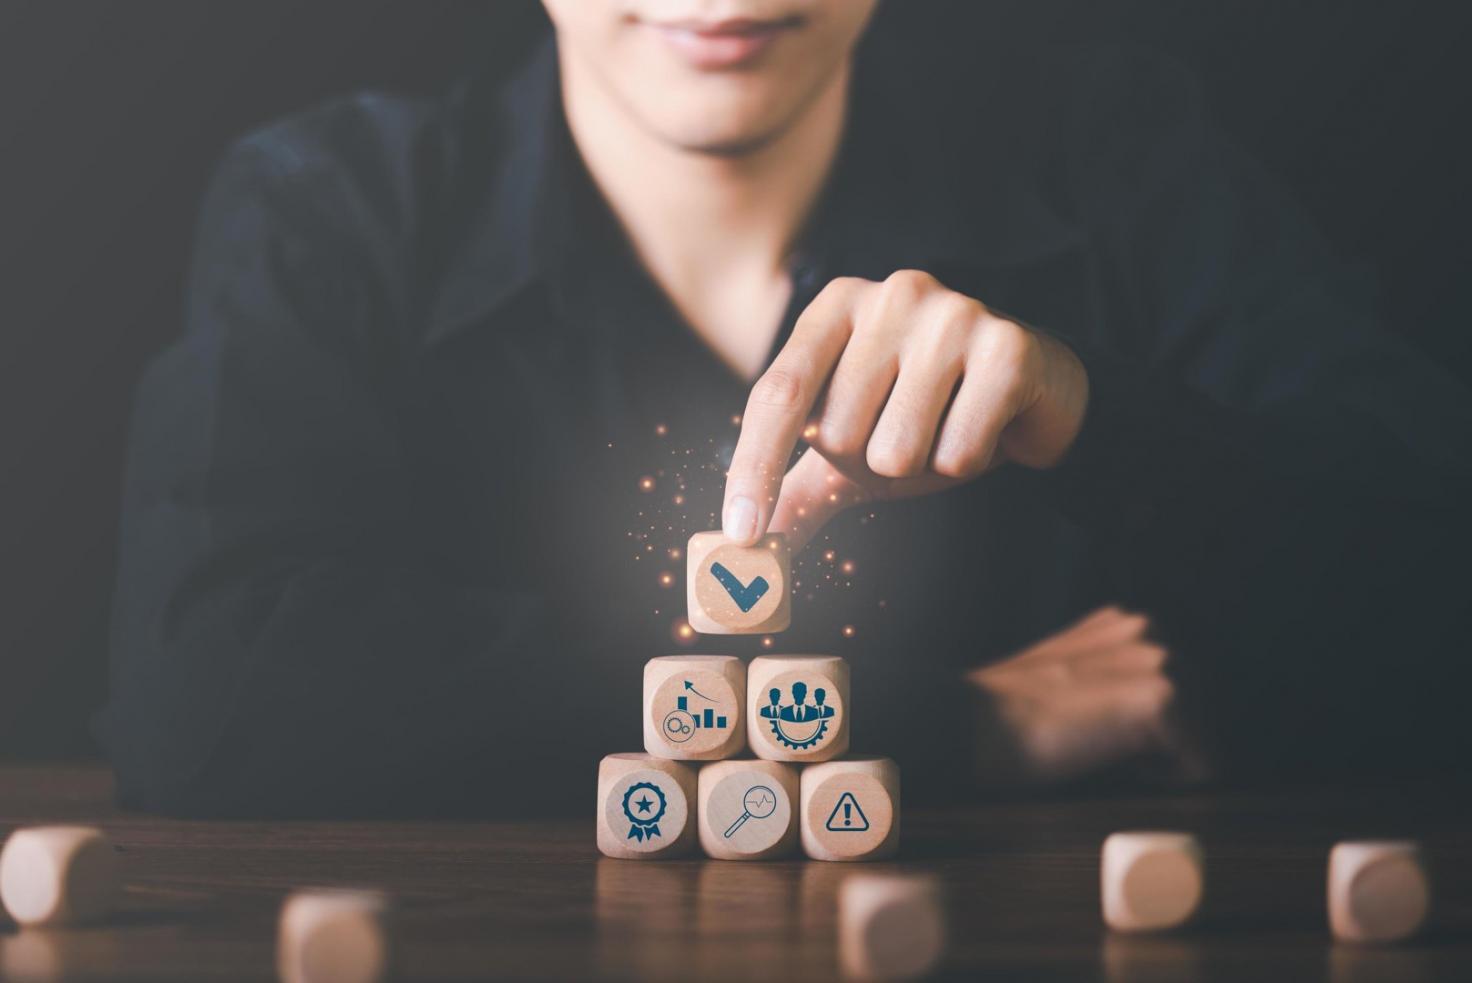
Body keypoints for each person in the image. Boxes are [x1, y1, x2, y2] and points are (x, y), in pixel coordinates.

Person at [100, 1, 1472, 816]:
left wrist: (1086, 413)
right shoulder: (332, 208)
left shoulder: (1117, 151)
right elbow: (205, 690)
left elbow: (1427, 580)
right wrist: (956, 727)